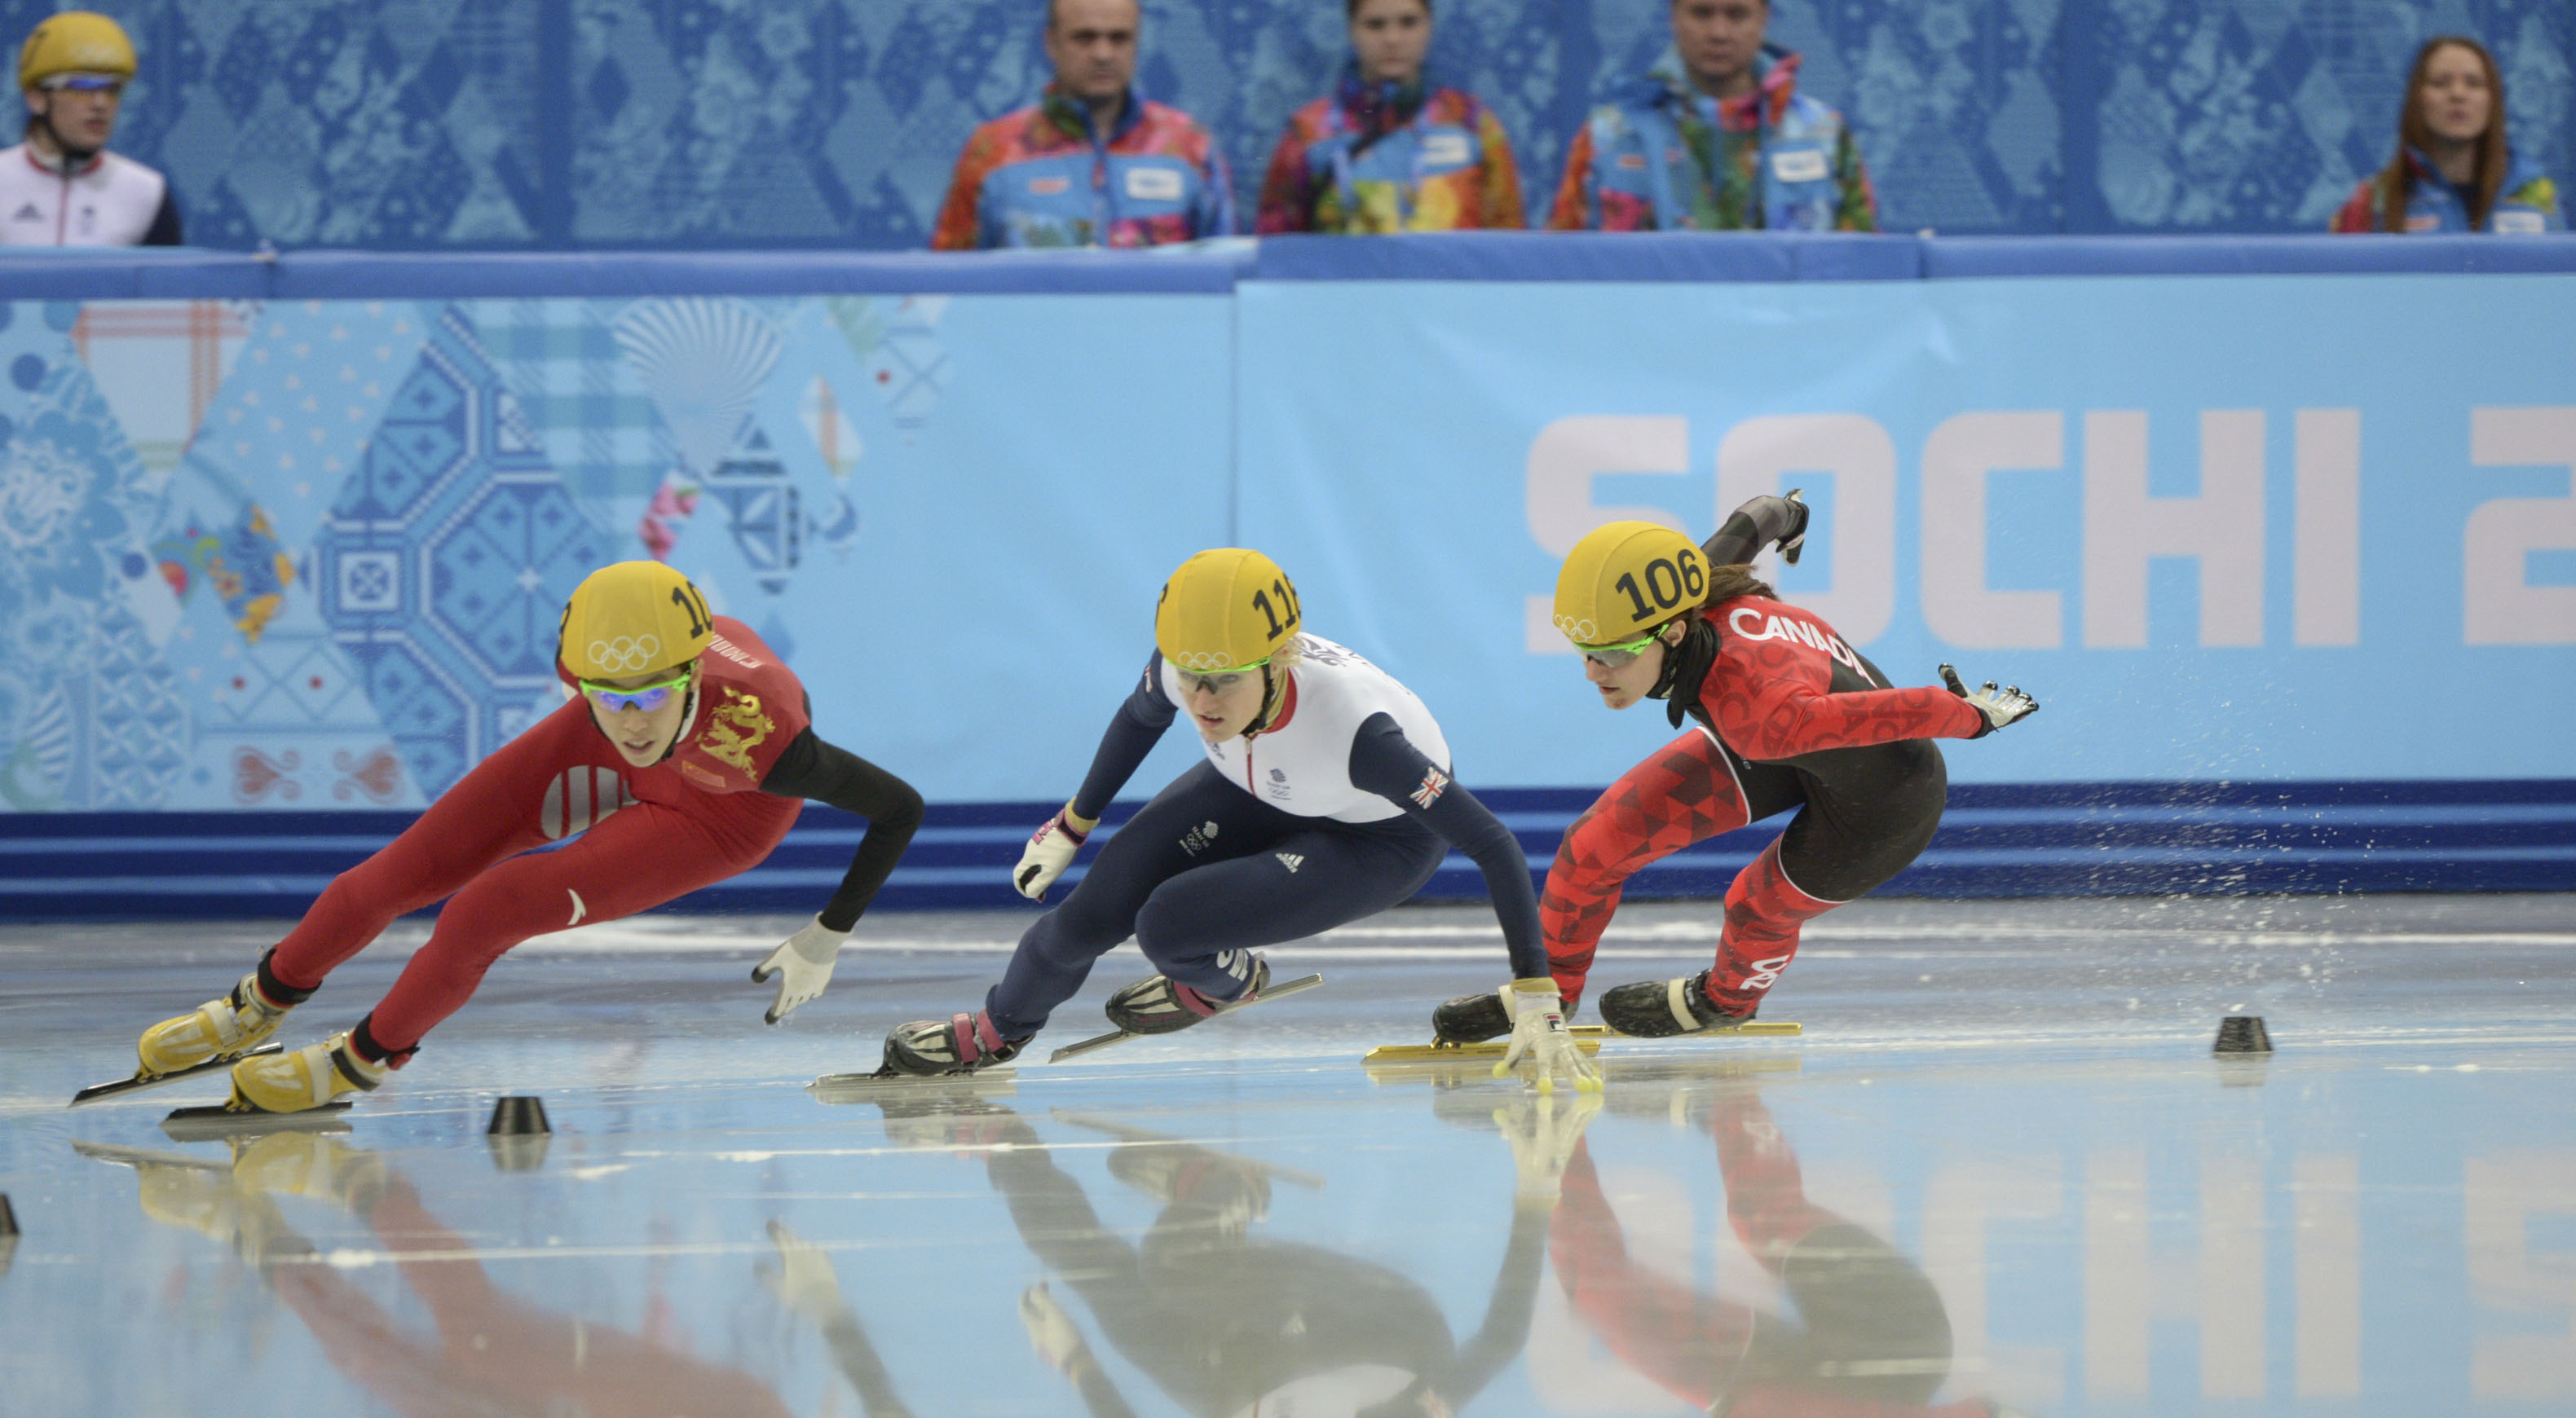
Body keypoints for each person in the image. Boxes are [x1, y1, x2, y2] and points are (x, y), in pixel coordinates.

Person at [125, 560, 924, 1115]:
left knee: (487, 909)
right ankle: (259, 1002)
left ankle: (361, 1060)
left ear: (689, 678)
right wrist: (612, 710)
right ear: (578, 679)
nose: (631, 718)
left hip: (718, 810)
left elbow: (900, 808)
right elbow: (618, 706)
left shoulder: (769, 739)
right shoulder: (611, 706)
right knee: (402, 871)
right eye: (605, 694)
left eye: (650, 695)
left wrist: (828, 932)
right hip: (626, 754)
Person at [880, 548, 1595, 1090]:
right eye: (1191, 677)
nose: (1202, 699)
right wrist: (1073, 824)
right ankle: (1000, 1030)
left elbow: (1494, 844)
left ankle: (1222, 980)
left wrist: (1539, 992)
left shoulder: (1360, 735)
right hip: (1259, 785)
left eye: (1223, 680)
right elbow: (1138, 719)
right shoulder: (1187, 659)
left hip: (1378, 840)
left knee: (1168, 924)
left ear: (1278, 660)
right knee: (1083, 919)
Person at [1436, 500, 2036, 1043]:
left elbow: (1901, 711)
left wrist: (1975, 716)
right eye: (1586, 652)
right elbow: (1755, 519)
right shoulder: (1691, 587)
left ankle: (1725, 1001)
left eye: (1615, 653)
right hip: (1804, 739)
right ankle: (1552, 995)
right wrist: (1791, 518)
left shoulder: (1757, 717)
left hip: (1886, 800)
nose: (1595, 672)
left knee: (1757, 904)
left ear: (1672, 633)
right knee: (1594, 845)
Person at [1550, 1086, 2021, 1416]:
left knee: (1602, 1298)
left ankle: (1551, 1134)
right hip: (1895, 1342)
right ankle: (1734, 1097)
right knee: (1769, 1218)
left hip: (1769, 1383)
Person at [1548, 0, 1873, 233]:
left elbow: (1864, 275)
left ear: (1764, 18)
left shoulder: (1821, 135)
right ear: (1673, 16)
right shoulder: (1610, 136)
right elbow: (1559, 271)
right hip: (1647, 328)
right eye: (1701, 13)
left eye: (1737, 14)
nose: (1719, 32)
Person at [929, 0, 1232, 250]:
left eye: (1119, 38)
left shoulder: (1190, 147)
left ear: (1137, 43)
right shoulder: (993, 150)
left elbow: (1227, 281)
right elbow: (946, 286)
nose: (1103, 54)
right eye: (1084, 38)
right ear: (1051, 44)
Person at [1254, 0, 1525, 235]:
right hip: (1343, 295)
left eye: (1408, 23)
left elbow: (1508, 244)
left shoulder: (1472, 122)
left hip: (1453, 295)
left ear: (1429, 26)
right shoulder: (1308, 132)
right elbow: (1278, 251)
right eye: (1375, 25)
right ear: (1351, 30)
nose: (1393, 39)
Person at [2331, 35, 2562, 234]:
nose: (2458, 94)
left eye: (2473, 83)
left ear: (2492, 101)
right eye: (2441, 83)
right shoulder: (2373, 199)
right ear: (2419, 100)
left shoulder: (2538, 193)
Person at [2, 11, 179, 246]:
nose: (100, 103)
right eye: (82, 86)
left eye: (112, 89)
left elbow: (165, 283)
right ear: (36, 98)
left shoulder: (147, 193)